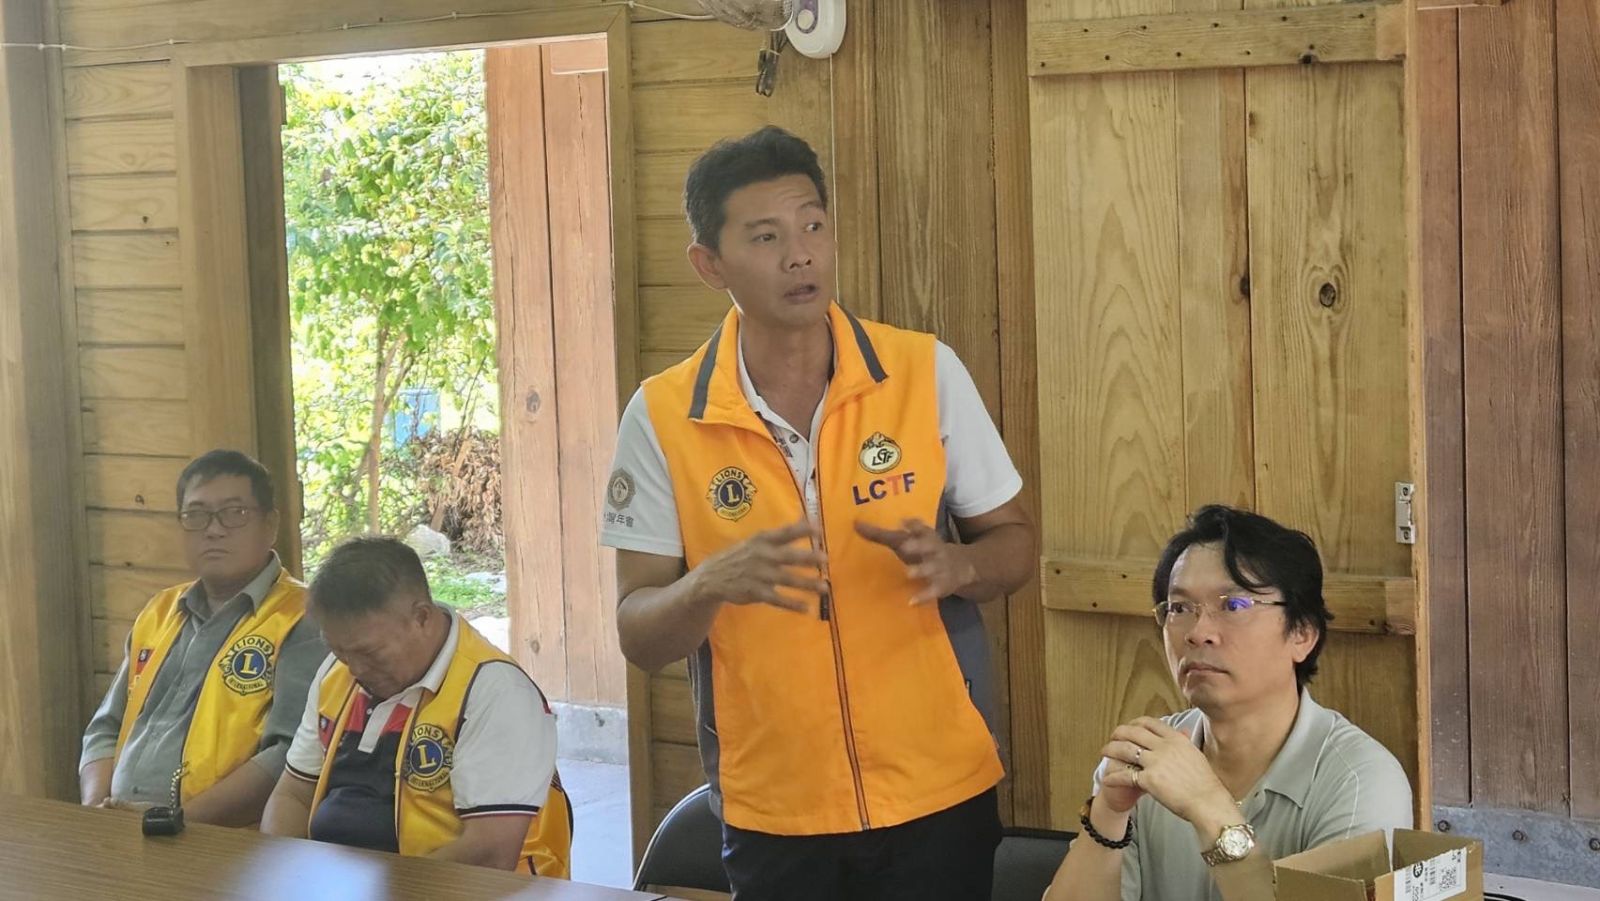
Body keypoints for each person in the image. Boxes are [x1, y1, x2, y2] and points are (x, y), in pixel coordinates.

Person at [601, 125, 1037, 900]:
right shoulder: (663, 415)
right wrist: (709, 583)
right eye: (766, 236)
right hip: (775, 808)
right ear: (709, 264)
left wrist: (961, 564)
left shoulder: (923, 371)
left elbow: (1016, 546)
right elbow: (638, 631)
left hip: (939, 789)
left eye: (812, 225)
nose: (800, 255)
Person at [1043, 505, 1413, 901]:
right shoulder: (1146, 757)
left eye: (1234, 606)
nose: (1198, 632)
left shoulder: (1359, 781)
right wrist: (1109, 813)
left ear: (1302, 634)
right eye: (1180, 608)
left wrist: (1208, 807)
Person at [261, 537, 571, 876]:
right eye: (339, 651)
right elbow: (292, 794)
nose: (355, 669)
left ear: (421, 617)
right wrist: (284, 872)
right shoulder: (339, 672)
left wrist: (377, 891)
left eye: (369, 653)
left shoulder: (497, 691)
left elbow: (490, 854)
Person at [79, 450, 326, 825]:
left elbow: (290, 753)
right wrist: (96, 812)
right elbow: (105, 727)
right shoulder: (160, 611)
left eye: (235, 513)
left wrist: (173, 822)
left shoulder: (303, 617)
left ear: (271, 524)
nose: (214, 529)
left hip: (227, 838)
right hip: (121, 827)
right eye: (196, 515)